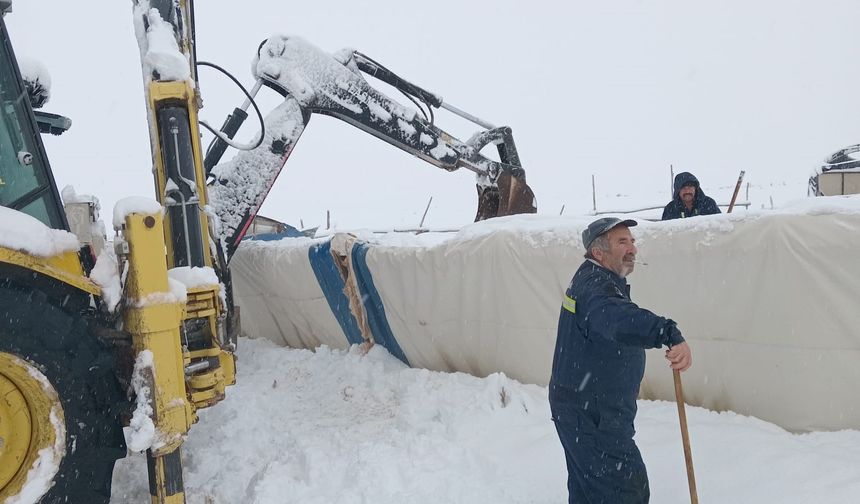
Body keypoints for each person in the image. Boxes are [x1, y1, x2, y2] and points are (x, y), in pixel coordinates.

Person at [549, 217, 692, 503]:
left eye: (633, 241)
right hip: (592, 414)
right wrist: (665, 331)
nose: (633, 249)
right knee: (625, 490)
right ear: (598, 252)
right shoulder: (594, 287)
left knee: (589, 489)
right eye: (622, 242)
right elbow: (617, 319)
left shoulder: (597, 279)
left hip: (585, 406)